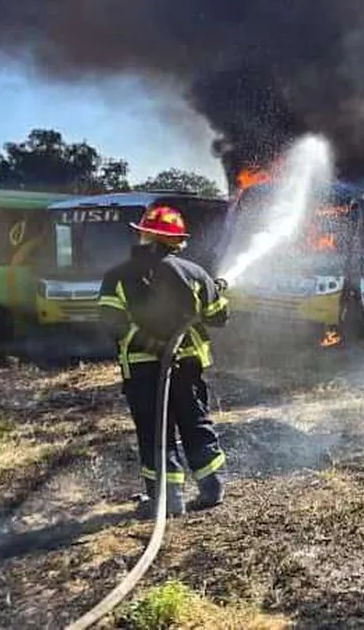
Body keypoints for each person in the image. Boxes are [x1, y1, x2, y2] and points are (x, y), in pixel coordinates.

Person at [98, 205, 230, 517]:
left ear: (143, 234)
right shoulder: (195, 273)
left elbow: (112, 323)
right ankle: (212, 488)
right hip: (187, 367)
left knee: (155, 432)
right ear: (177, 241)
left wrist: (149, 344)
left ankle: (169, 501)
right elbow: (219, 317)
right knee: (196, 423)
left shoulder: (117, 276)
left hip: (143, 371)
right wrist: (217, 291)